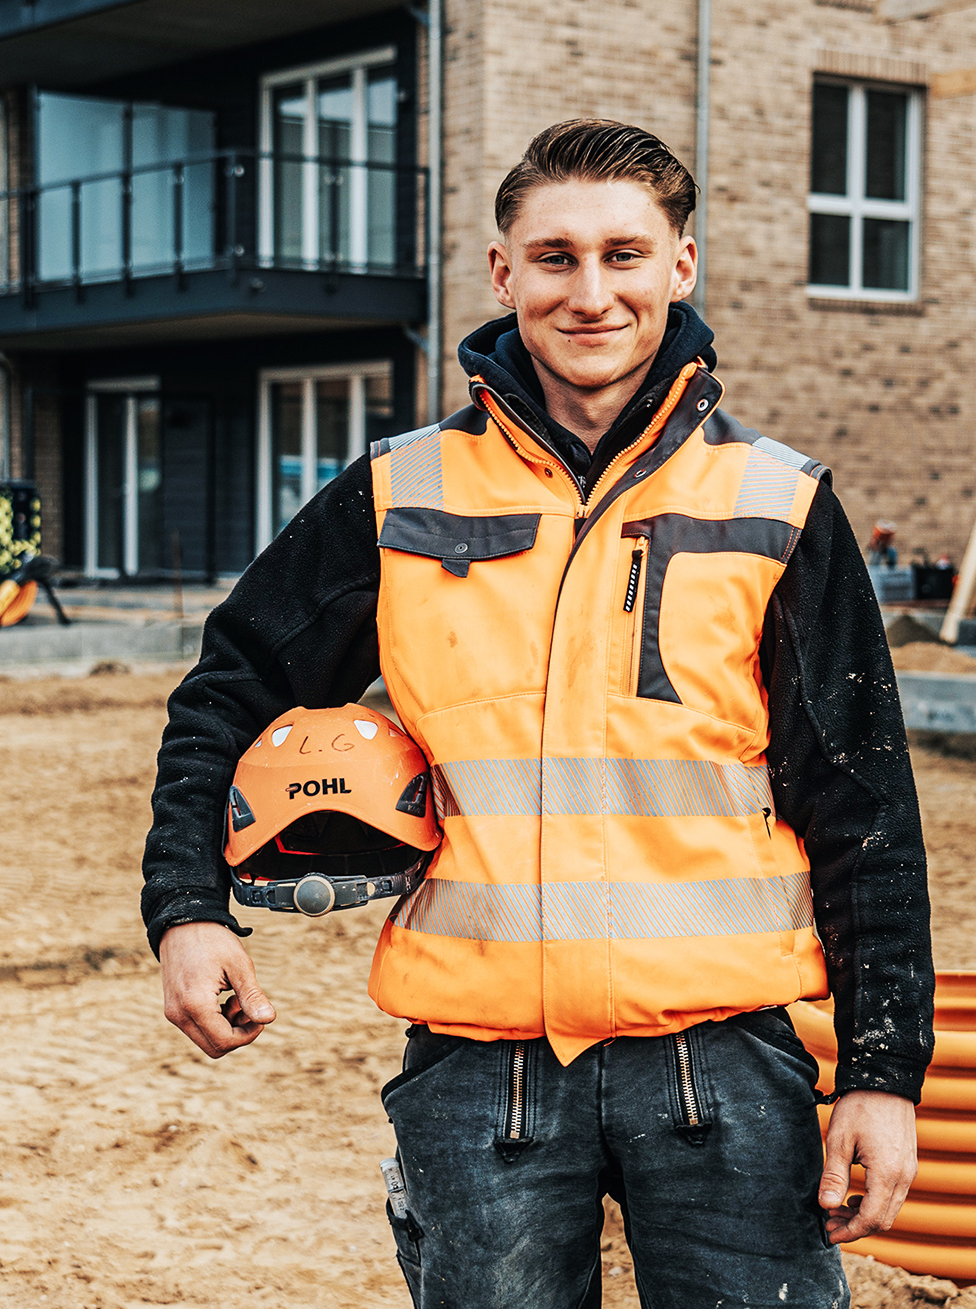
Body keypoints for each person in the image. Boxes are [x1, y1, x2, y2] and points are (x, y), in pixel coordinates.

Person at [143, 118, 934, 1308]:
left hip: (724, 1065)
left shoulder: (776, 501)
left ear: (682, 265)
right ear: (503, 272)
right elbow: (227, 686)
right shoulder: (400, 492)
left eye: (625, 255)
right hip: (479, 1072)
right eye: (555, 257)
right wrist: (188, 909)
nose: (592, 292)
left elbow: (863, 805)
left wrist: (882, 1070)